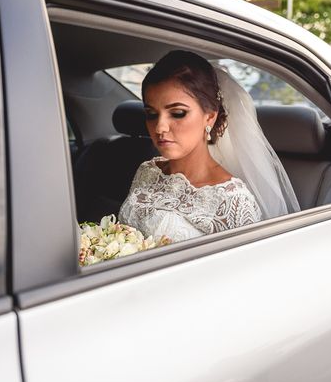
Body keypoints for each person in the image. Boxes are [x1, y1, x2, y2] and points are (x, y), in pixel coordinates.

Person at [119, 50, 299, 243]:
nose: (160, 127)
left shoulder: (233, 201)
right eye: (152, 114)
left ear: (210, 117)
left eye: (178, 113)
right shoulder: (148, 171)